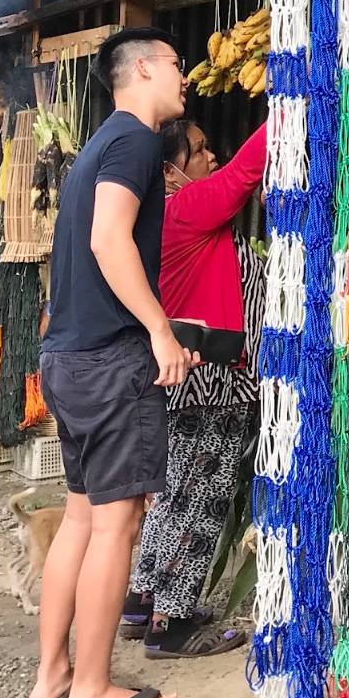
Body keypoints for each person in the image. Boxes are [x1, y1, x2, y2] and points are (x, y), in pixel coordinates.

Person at [28, 26, 195, 698]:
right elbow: (107, 237)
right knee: (115, 525)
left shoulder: (98, 143)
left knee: (78, 518)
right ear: (147, 69)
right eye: (178, 66)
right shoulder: (133, 140)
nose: (185, 78)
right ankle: (93, 693)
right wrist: (159, 328)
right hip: (108, 358)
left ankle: (55, 678)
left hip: (67, 356)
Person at [121, 117, 266, 658]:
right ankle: (173, 623)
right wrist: (296, 92)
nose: (212, 159)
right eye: (200, 151)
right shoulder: (182, 207)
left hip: (190, 374)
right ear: (169, 170)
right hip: (211, 380)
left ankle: (144, 601)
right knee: (200, 500)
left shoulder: (162, 216)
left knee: (174, 493)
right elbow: (244, 174)